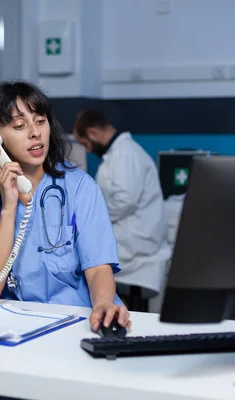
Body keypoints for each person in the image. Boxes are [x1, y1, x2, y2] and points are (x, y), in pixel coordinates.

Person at [0, 81, 131, 333]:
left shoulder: (80, 186)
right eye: (19, 126)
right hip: (19, 327)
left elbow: (97, 268)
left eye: (40, 121)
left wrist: (103, 304)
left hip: (82, 319)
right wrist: (8, 208)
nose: (34, 132)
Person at [72, 110, 171, 312]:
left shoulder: (125, 155)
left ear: (92, 133)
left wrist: (90, 217)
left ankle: (88, 309)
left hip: (136, 241)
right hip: (131, 233)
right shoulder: (119, 154)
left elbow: (125, 201)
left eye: (84, 144)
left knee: (78, 257)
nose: (88, 150)